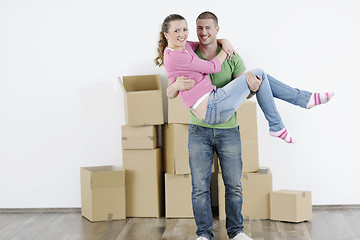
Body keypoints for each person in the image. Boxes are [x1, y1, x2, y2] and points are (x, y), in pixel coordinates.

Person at [155, 12, 334, 240]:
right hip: (201, 125)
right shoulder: (188, 53)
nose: (200, 33)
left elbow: (248, 93)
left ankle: (236, 232)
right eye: (198, 28)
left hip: (227, 124)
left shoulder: (209, 52)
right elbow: (201, 73)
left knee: (234, 186)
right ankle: (203, 234)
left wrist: (247, 80)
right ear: (167, 34)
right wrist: (221, 51)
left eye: (205, 28)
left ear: (217, 30)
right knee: (200, 188)